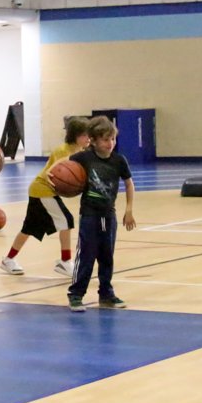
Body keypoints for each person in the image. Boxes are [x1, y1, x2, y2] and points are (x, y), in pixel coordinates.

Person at [1, 116, 91, 277]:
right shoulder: (63, 150)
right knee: (66, 221)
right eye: (85, 135)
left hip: (40, 191)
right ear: (75, 136)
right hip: (43, 189)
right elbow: (57, 174)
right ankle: (65, 262)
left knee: (28, 228)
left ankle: (8, 259)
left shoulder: (81, 152)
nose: (88, 138)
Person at [64, 116, 135, 312]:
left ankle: (106, 293)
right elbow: (63, 169)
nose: (110, 143)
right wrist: (59, 181)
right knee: (86, 254)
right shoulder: (83, 158)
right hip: (89, 213)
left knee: (107, 256)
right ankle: (76, 294)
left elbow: (129, 183)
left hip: (109, 214)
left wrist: (128, 209)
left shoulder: (119, 160)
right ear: (93, 141)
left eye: (112, 139)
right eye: (105, 139)